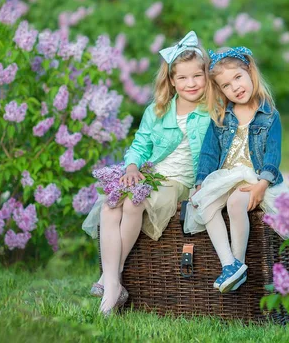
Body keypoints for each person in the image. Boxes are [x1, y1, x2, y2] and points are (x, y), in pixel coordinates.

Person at [82, 31, 211, 315]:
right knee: (110, 204)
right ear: (172, 81)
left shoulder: (211, 110)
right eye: (183, 78)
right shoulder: (158, 110)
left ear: (206, 76)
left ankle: (110, 281)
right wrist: (131, 167)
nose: (190, 83)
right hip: (151, 174)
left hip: (179, 181)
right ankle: (113, 283)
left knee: (133, 202)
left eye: (197, 76)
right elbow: (140, 146)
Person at [184, 46, 289, 293]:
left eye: (238, 78)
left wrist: (262, 184)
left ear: (250, 72)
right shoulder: (221, 116)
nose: (235, 87)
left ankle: (239, 261)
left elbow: (273, 156)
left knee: (235, 202)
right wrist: (201, 182)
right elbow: (209, 153)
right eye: (226, 85)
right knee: (205, 203)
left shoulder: (269, 116)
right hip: (226, 175)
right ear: (220, 90)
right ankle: (229, 264)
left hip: (254, 177)